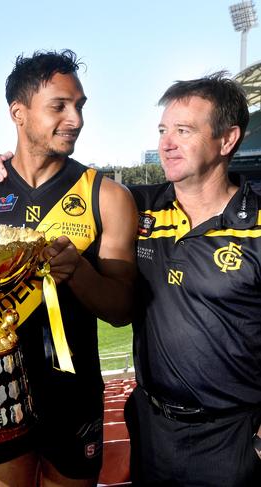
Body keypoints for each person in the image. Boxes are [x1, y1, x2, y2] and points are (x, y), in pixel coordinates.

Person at [0, 50, 138, 486]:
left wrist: (79, 272)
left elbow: (123, 309)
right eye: (59, 106)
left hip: (74, 399)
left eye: (79, 105)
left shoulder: (107, 196)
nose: (75, 118)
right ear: (18, 113)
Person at [124, 73, 261, 486]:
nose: (167, 143)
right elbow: (60, 190)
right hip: (150, 431)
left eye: (184, 131)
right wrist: (1, 167)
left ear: (227, 139)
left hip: (232, 442)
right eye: (163, 130)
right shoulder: (139, 210)